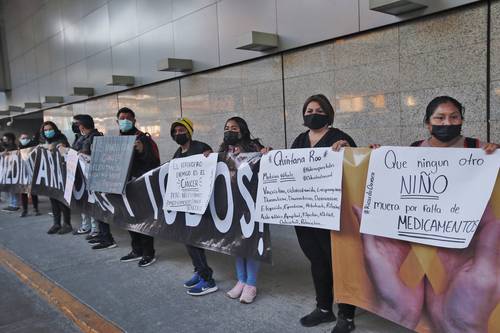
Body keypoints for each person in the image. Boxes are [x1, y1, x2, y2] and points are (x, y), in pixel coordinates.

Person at [361, 96, 499, 331]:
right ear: (428, 123)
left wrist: (496, 153)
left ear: (462, 120)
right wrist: (374, 155)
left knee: (452, 312)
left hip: (464, 245)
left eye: (454, 117)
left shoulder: (478, 149)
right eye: (440, 117)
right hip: (423, 245)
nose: (447, 122)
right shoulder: (415, 149)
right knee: (428, 308)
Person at [290, 94, 357, 333]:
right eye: (309, 110)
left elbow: (355, 170)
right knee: (317, 261)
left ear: (328, 113)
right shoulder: (299, 140)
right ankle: (324, 309)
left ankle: (347, 315)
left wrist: (348, 152)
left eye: (319, 110)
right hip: (305, 215)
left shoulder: (340, 138)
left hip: (333, 215)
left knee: (339, 264)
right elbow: (290, 169)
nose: (313, 113)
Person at [220, 116, 269, 304]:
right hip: (233, 205)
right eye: (227, 128)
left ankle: (251, 284)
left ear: (242, 130)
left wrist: (266, 155)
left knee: (252, 241)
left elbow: (265, 168)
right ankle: (241, 280)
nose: (229, 131)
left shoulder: (254, 148)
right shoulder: (224, 151)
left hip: (253, 203)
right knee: (237, 244)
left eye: (234, 127)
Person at [169, 118, 218, 296]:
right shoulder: (177, 153)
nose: (178, 134)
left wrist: (210, 156)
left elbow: (212, 164)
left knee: (194, 241)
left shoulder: (200, 147)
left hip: (199, 204)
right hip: (186, 205)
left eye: (182, 130)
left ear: (189, 131)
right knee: (189, 241)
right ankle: (199, 271)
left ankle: (208, 280)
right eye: (175, 131)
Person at [116, 107, 160, 267]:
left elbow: (155, 162)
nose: (125, 120)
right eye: (122, 118)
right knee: (129, 219)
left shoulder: (143, 139)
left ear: (134, 121)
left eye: (128, 118)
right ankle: (136, 250)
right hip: (124, 187)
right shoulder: (117, 140)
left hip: (141, 188)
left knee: (143, 220)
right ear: (117, 121)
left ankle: (149, 253)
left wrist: (142, 151)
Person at [40, 121, 73, 235]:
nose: (48, 132)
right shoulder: (44, 141)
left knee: (61, 200)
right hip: (50, 175)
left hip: (61, 174)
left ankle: (67, 224)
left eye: (50, 129)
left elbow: (67, 152)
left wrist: (62, 147)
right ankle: (56, 223)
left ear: (55, 129)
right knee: (53, 200)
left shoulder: (61, 139)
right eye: (45, 130)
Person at [71, 114, 101, 236]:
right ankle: (86, 226)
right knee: (84, 201)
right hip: (82, 175)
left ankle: (95, 229)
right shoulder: (81, 137)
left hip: (91, 176)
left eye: (76, 124)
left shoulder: (95, 137)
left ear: (81, 126)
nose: (74, 126)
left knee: (92, 202)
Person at [18, 132, 40, 217]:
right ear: (19, 139)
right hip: (22, 173)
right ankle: (25, 210)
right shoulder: (17, 149)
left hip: (32, 172)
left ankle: (36, 208)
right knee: (23, 192)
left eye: (26, 138)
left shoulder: (33, 147)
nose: (25, 140)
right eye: (23, 138)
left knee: (33, 191)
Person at [1, 132, 20, 212]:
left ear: (10, 140)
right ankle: (12, 203)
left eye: (5, 139)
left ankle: (14, 204)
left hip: (12, 171)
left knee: (13, 188)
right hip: (8, 170)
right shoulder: (7, 148)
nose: (4, 141)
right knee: (10, 188)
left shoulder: (13, 148)